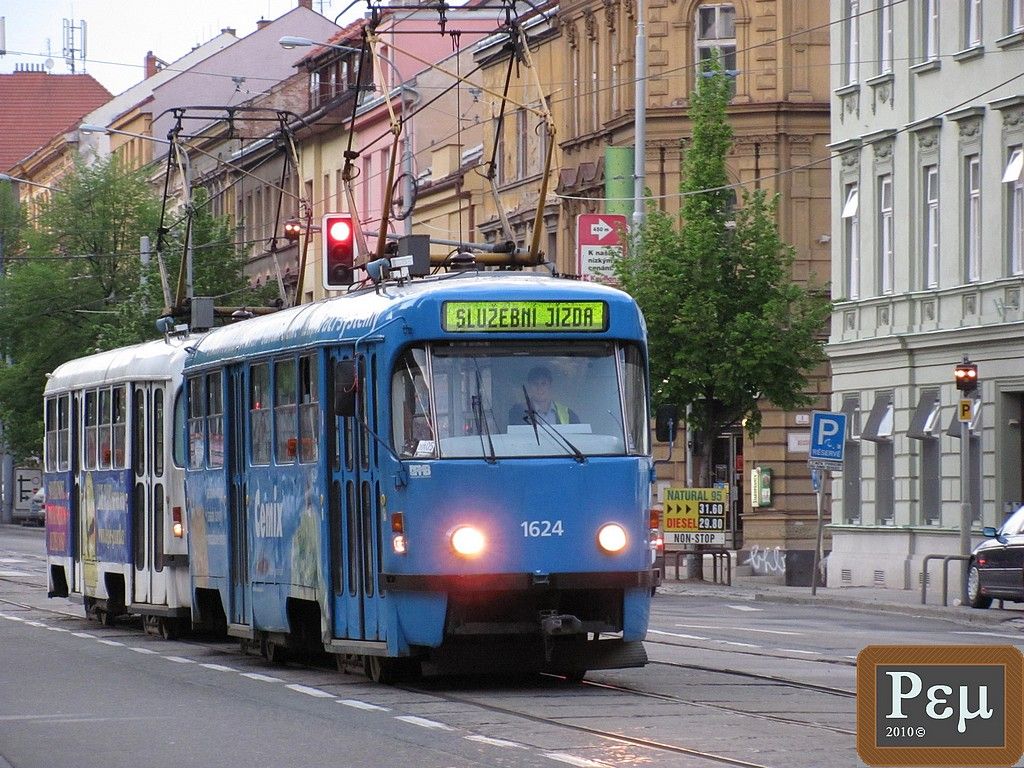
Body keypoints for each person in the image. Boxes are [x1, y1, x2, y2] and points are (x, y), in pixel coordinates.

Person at [508, 365, 579, 426]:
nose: (539, 388)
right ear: (529, 387)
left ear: (550, 386)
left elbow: (579, 439)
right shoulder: (518, 412)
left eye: (543, 384)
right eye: (535, 384)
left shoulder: (568, 414)